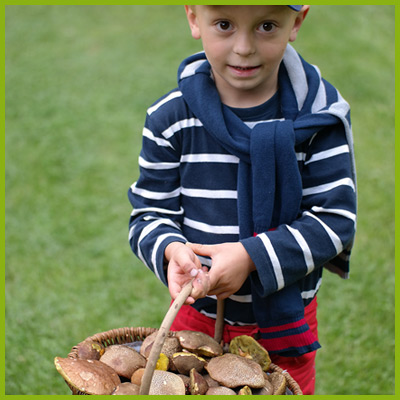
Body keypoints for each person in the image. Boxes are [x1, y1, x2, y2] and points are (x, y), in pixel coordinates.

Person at [128, 5, 357, 394]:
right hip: (195, 319)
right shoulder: (170, 117)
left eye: (266, 25)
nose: (244, 47)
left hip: (284, 322)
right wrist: (171, 250)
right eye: (224, 24)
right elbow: (150, 212)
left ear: (296, 23)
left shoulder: (319, 115)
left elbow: (335, 220)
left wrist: (250, 256)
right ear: (193, 18)